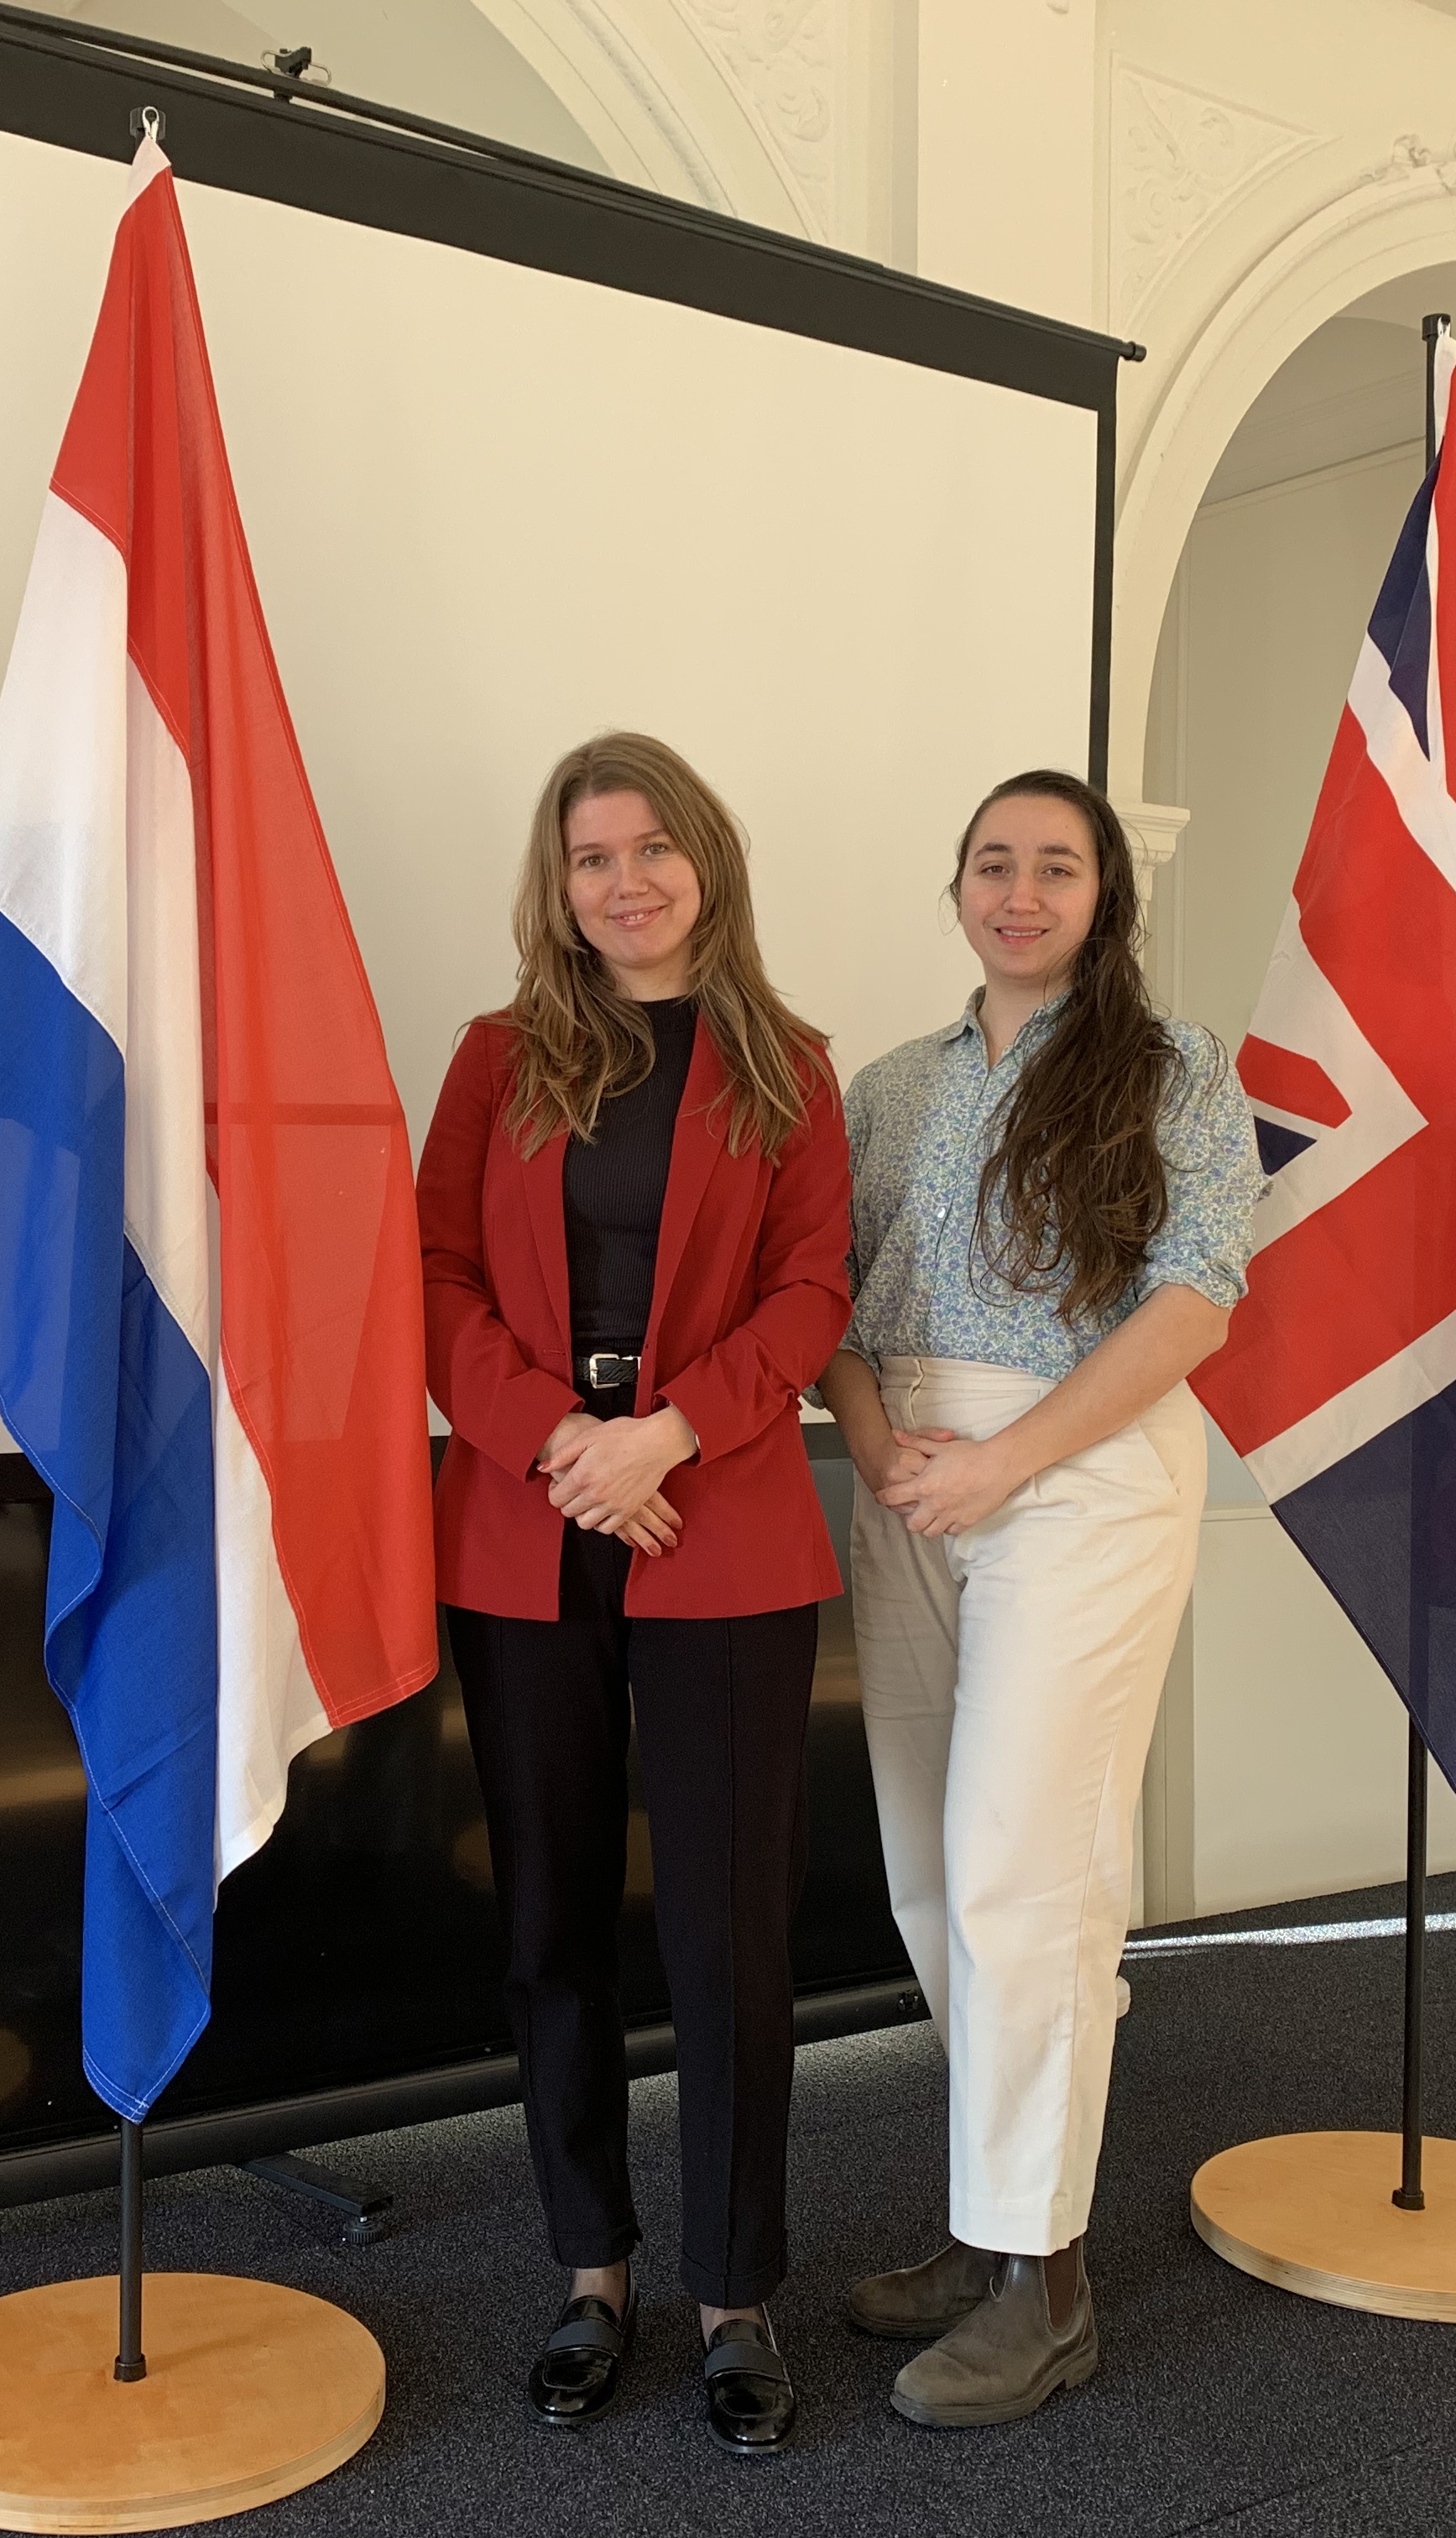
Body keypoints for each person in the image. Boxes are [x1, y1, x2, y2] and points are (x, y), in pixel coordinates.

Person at [417, 732, 851, 2458]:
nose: (627, 881)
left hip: (720, 1521)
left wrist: (667, 1433)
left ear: (707, 864)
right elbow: (437, 1276)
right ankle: (589, 2272)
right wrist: (561, 1447)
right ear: (560, 884)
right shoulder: (498, 1058)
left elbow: (817, 1287)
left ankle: (736, 2296)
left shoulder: (790, 1066)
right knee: (551, 1923)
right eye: (593, 856)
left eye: (654, 848)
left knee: (730, 1936)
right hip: (531, 1529)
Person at [817, 769, 1259, 2428]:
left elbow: (1195, 1304)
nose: (1021, 892)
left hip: (1081, 1477)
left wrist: (1004, 1468)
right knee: (935, 1874)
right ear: (957, 892)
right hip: (908, 1475)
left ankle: (1049, 2290)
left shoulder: (1172, 1073)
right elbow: (832, 1308)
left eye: (1056, 867)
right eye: (994, 865)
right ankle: (995, 2217)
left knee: (1030, 1872)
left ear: (1103, 897)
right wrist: (878, 1448)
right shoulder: (887, 1090)